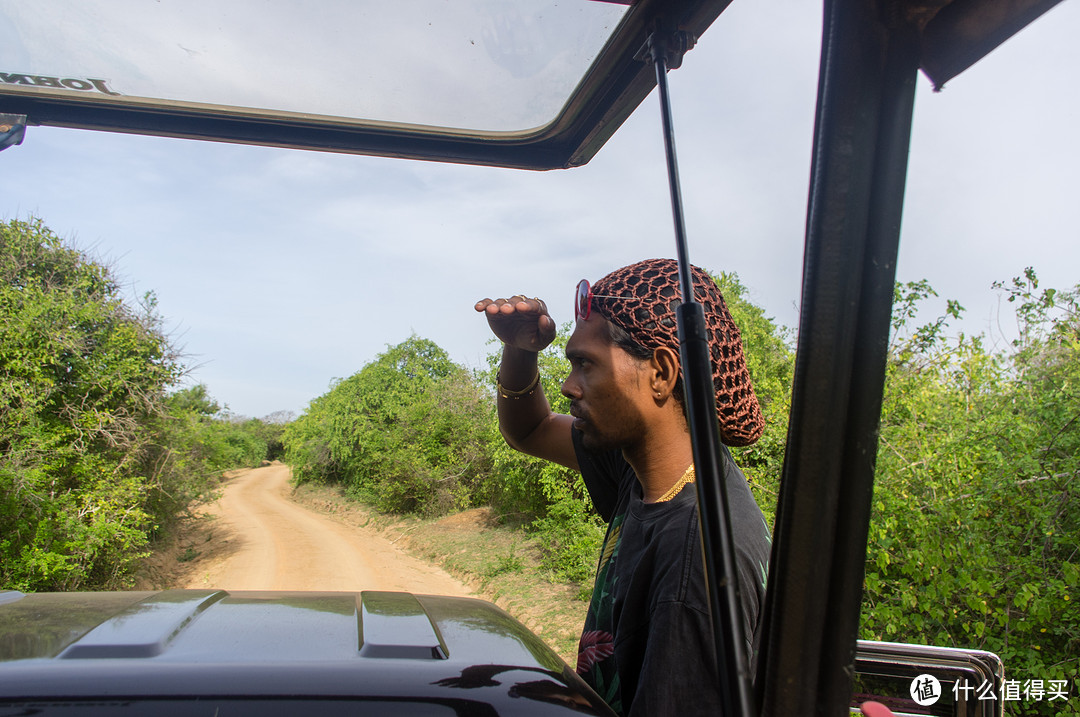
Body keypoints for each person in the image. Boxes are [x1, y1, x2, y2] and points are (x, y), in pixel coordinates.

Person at [475, 258, 772, 716]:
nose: (570, 386)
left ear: (661, 374)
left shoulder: (694, 565)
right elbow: (530, 430)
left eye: (586, 365)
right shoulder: (647, 466)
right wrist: (520, 350)